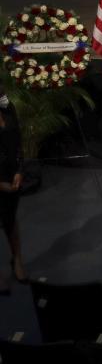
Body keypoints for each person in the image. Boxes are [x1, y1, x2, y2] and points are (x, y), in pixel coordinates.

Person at [0, 87, 27, 283]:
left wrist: (19, 170)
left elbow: (17, 142)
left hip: (10, 174)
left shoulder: (7, 106)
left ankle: (16, 259)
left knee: (10, 218)